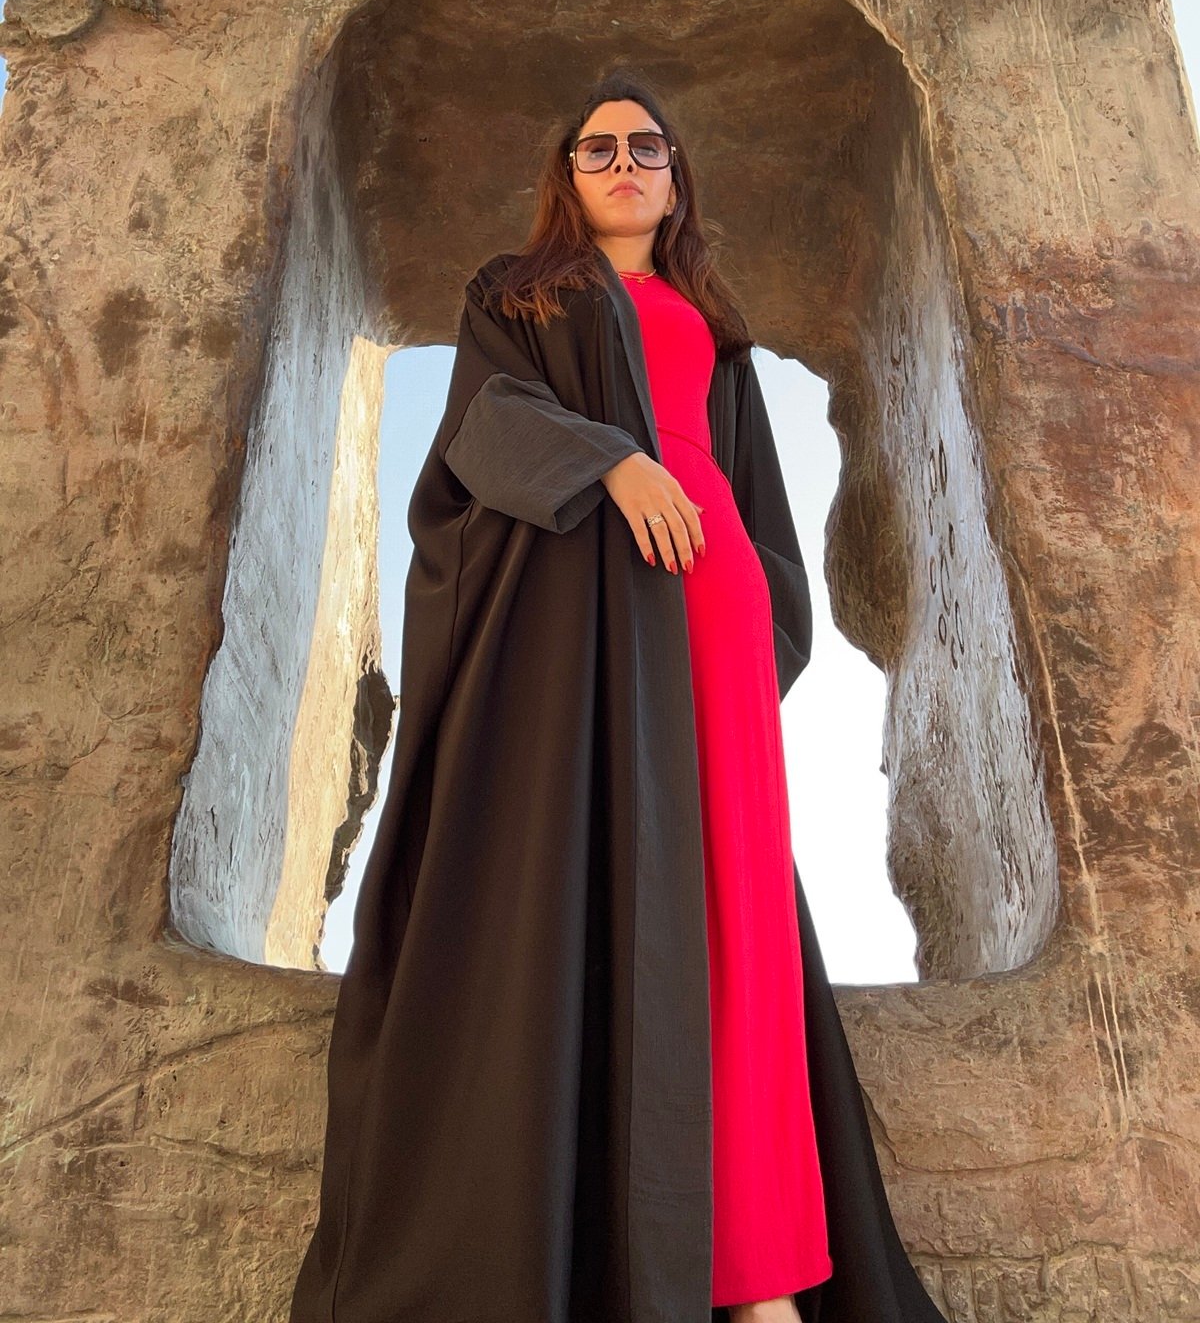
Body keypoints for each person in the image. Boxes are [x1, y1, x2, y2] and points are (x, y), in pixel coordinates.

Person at [289, 71, 947, 1323]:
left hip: (711, 608)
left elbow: (752, 496)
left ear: (677, 177)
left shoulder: (715, 327)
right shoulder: (519, 292)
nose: (627, 164)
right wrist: (614, 461)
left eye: (649, 147)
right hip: (587, 609)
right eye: (600, 149)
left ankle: (760, 1280)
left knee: (736, 915)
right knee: (604, 878)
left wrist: (753, 601)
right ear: (567, 174)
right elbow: (483, 424)